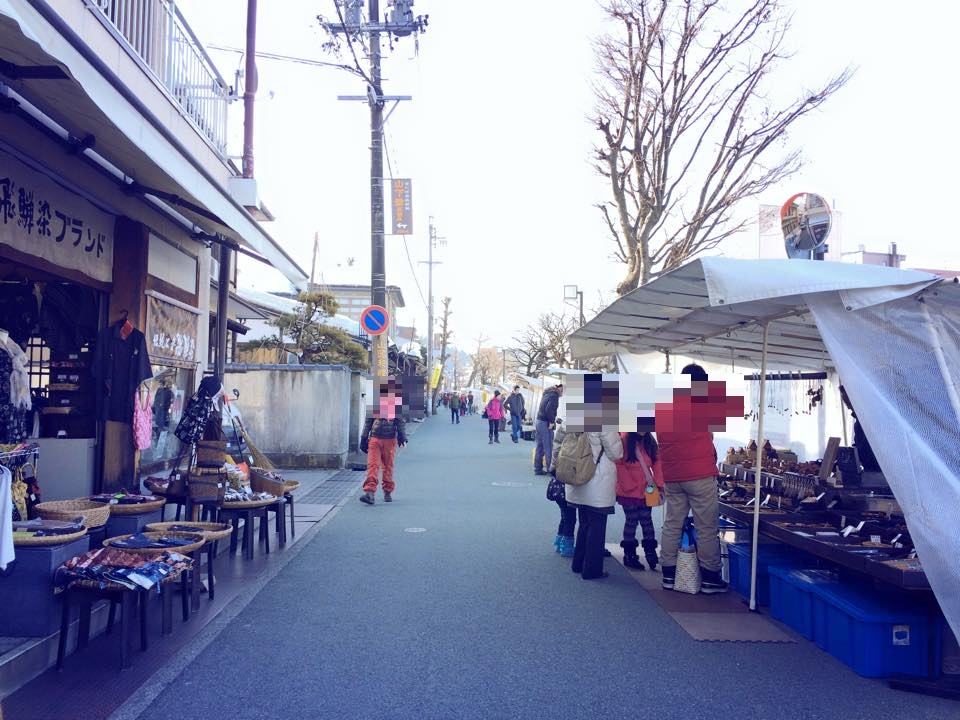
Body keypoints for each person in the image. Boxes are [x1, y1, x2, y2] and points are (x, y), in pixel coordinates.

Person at [656, 363, 727, 593]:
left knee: (672, 524)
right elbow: (710, 436)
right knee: (706, 527)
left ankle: (668, 573)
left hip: (673, 475)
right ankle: (710, 578)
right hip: (700, 476)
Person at [552, 417, 623, 580]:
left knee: (584, 523)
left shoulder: (573, 416)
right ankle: (591, 569)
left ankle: (578, 563)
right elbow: (616, 453)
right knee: (597, 527)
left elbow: (558, 444)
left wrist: (554, 467)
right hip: (597, 481)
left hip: (576, 479)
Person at [615, 429, 664, 570]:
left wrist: (659, 483)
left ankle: (650, 551)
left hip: (647, 488)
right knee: (632, 520)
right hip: (628, 489)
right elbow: (618, 463)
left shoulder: (650, 441)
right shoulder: (624, 439)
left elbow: (657, 461)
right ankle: (629, 554)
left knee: (647, 520)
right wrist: (628, 485)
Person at [359, 379, 408, 505]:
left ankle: (387, 491)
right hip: (375, 438)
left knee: (387, 467)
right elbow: (368, 421)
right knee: (372, 465)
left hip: (390, 439)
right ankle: (369, 493)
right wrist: (364, 438)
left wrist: (402, 437)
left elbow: (400, 421)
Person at [534, 384, 563, 475]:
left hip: (539, 421)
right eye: (562, 390)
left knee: (540, 447)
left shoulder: (547, 393)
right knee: (549, 447)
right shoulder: (554, 396)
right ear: (559, 389)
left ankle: (538, 468)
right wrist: (551, 421)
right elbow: (549, 409)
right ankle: (551, 470)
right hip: (545, 423)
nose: (562, 393)